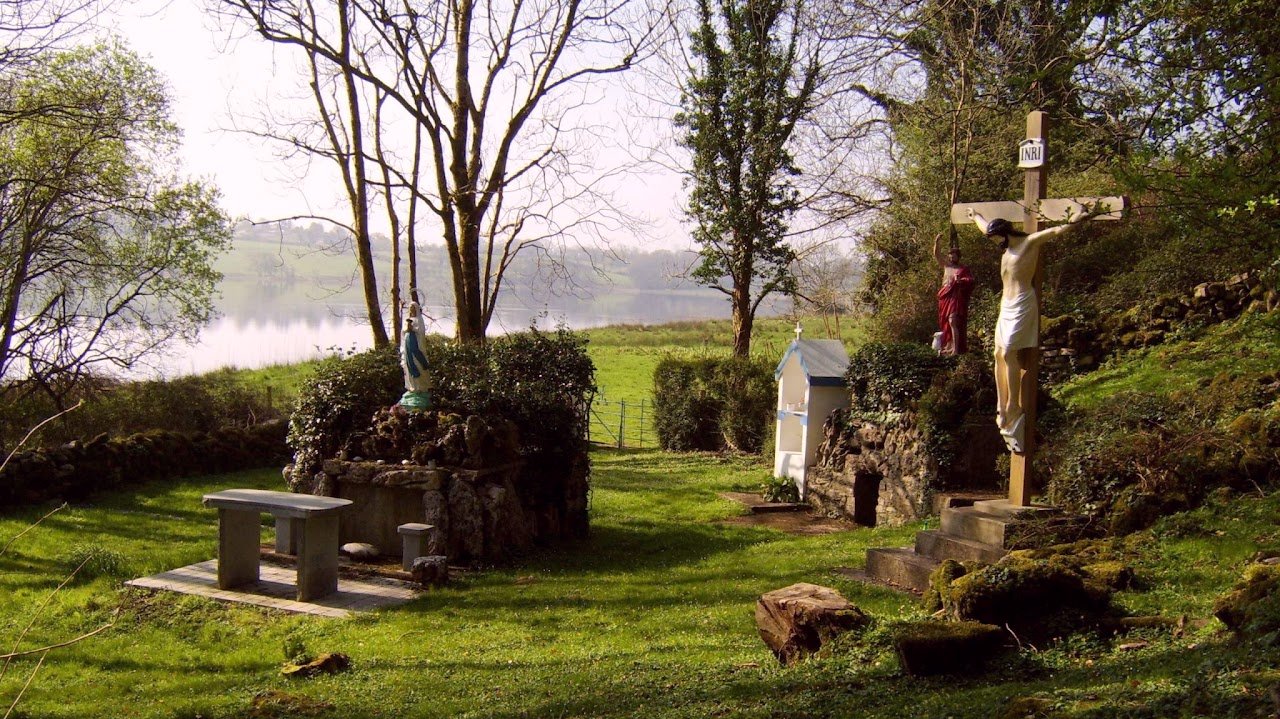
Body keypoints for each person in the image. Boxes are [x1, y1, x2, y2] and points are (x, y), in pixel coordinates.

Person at [967, 207, 1092, 453]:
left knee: (1008, 353)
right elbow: (986, 227)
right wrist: (976, 217)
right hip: (1005, 304)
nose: (994, 243)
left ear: (1005, 233)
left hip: (1023, 302)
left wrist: (1076, 219)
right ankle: (1002, 404)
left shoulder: (1028, 243)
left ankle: (1014, 404)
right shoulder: (1005, 247)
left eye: (996, 238)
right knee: (997, 354)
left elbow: (1057, 231)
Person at [932, 233, 974, 355]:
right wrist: (937, 242)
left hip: (955, 297)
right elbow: (937, 255)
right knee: (945, 322)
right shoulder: (946, 266)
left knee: (952, 320)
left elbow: (971, 280)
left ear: (958, 257)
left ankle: (956, 349)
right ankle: (948, 346)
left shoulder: (963, 269)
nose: (952, 257)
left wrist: (961, 281)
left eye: (954, 255)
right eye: (951, 255)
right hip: (945, 297)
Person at [399, 297, 432, 409]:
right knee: (409, 366)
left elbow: (421, 332)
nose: (412, 310)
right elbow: (403, 333)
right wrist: (407, 329)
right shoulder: (406, 320)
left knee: (419, 365)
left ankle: (421, 387)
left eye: (414, 308)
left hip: (417, 347)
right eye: (410, 308)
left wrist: (413, 328)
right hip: (408, 347)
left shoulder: (419, 320)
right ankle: (412, 387)